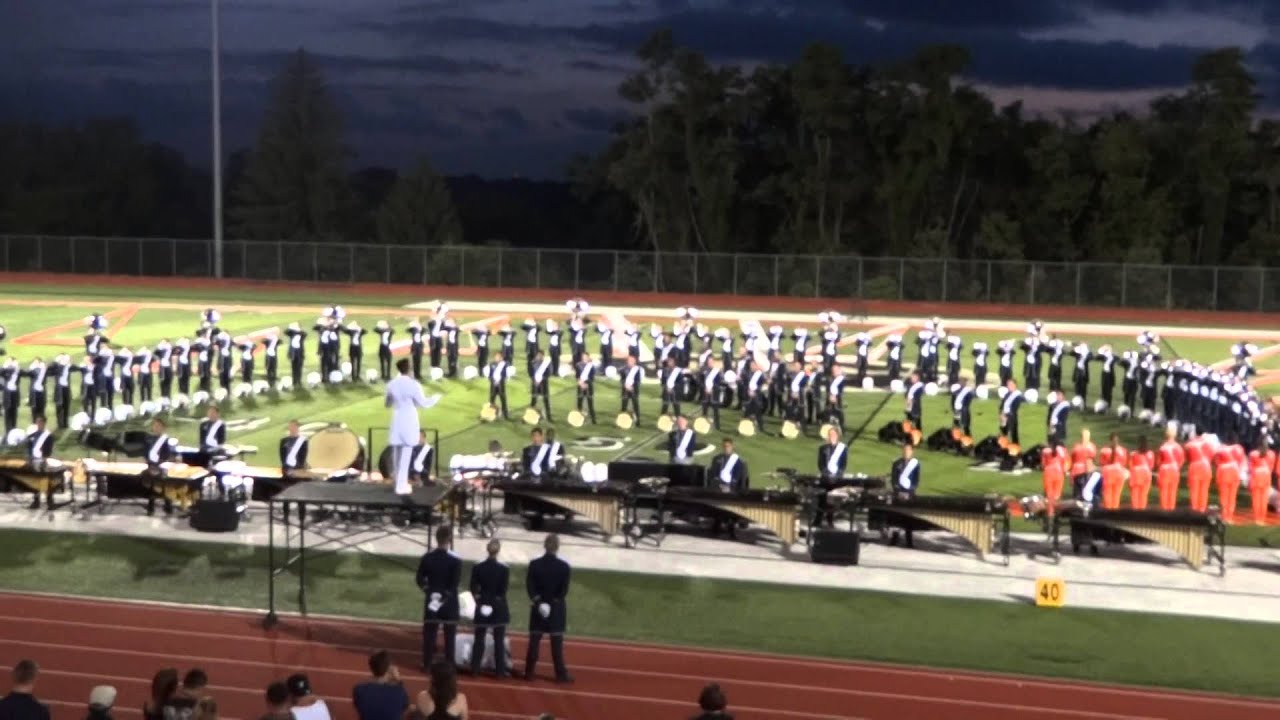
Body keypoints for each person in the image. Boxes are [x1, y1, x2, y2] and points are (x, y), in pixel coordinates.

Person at [386, 358, 441, 497]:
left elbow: (387, 403)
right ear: (409, 369)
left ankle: (397, 480)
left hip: (397, 417)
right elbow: (424, 403)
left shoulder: (392, 384)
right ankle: (401, 485)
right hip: (409, 418)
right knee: (406, 452)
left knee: (396, 451)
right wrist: (436, 398)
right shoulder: (413, 385)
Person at [524, 534, 572, 684]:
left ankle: (529, 672)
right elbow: (563, 591)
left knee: (534, 642)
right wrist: (552, 603)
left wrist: (539, 602)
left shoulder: (534, 564)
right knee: (556, 644)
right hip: (556, 609)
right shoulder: (564, 567)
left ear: (545, 545)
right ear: (557, 547)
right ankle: (560, 674)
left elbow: (530, 586)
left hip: (538, 608)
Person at [416, 526, 462, 670]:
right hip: (449, 603)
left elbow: (419, 578)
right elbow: (454, 583)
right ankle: (449, 665)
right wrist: (445, 596)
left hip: (432, 600)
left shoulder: (428, 557)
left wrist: (428, 590)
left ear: (436, 538)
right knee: (450, 636)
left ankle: (427, 664)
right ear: (449, 539)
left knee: (430, 634)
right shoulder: (455, 560)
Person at [469, 539, 511, 677]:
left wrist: (480, 601)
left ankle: (475, 669)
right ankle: (499, 671)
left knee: (479, 639)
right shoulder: (504, 568)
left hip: (482, 605)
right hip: (498, 607)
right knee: (499, 640)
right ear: (498, 550)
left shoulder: (478, 566)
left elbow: (473, 587)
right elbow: (502, 591)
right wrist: (493, 603)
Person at [351, 651, 409, 720]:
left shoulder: (359, 690)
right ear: (390, 669)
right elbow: (405, 706)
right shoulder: (399, 692)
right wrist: (398, 680)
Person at [888, 443, 920, 548]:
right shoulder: (896, 463)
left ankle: (909, 541)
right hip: (898, 493)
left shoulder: (915, 464)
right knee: (896, 517)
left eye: (908, 450)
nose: (906, 452)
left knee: (908, 517)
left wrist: (909, 492)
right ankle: (894, 538)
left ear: (912, 452)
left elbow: (915, 481)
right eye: (905, 450)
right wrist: (898, 491)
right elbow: (893, 480)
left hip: (909, 494)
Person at [24, 416, 54, 510]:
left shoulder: (48, 436)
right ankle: (36, 501)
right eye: (37, 422)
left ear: (44, 423)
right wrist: (29, 457)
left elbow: (49, 449)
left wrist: (45, 459)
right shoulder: (33, 435)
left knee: (46, 481)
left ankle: (50, 501)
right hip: (34, 460)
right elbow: (28, 447)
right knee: (35, 482)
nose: (39, 424)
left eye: (40, 422)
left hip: (43, 461)